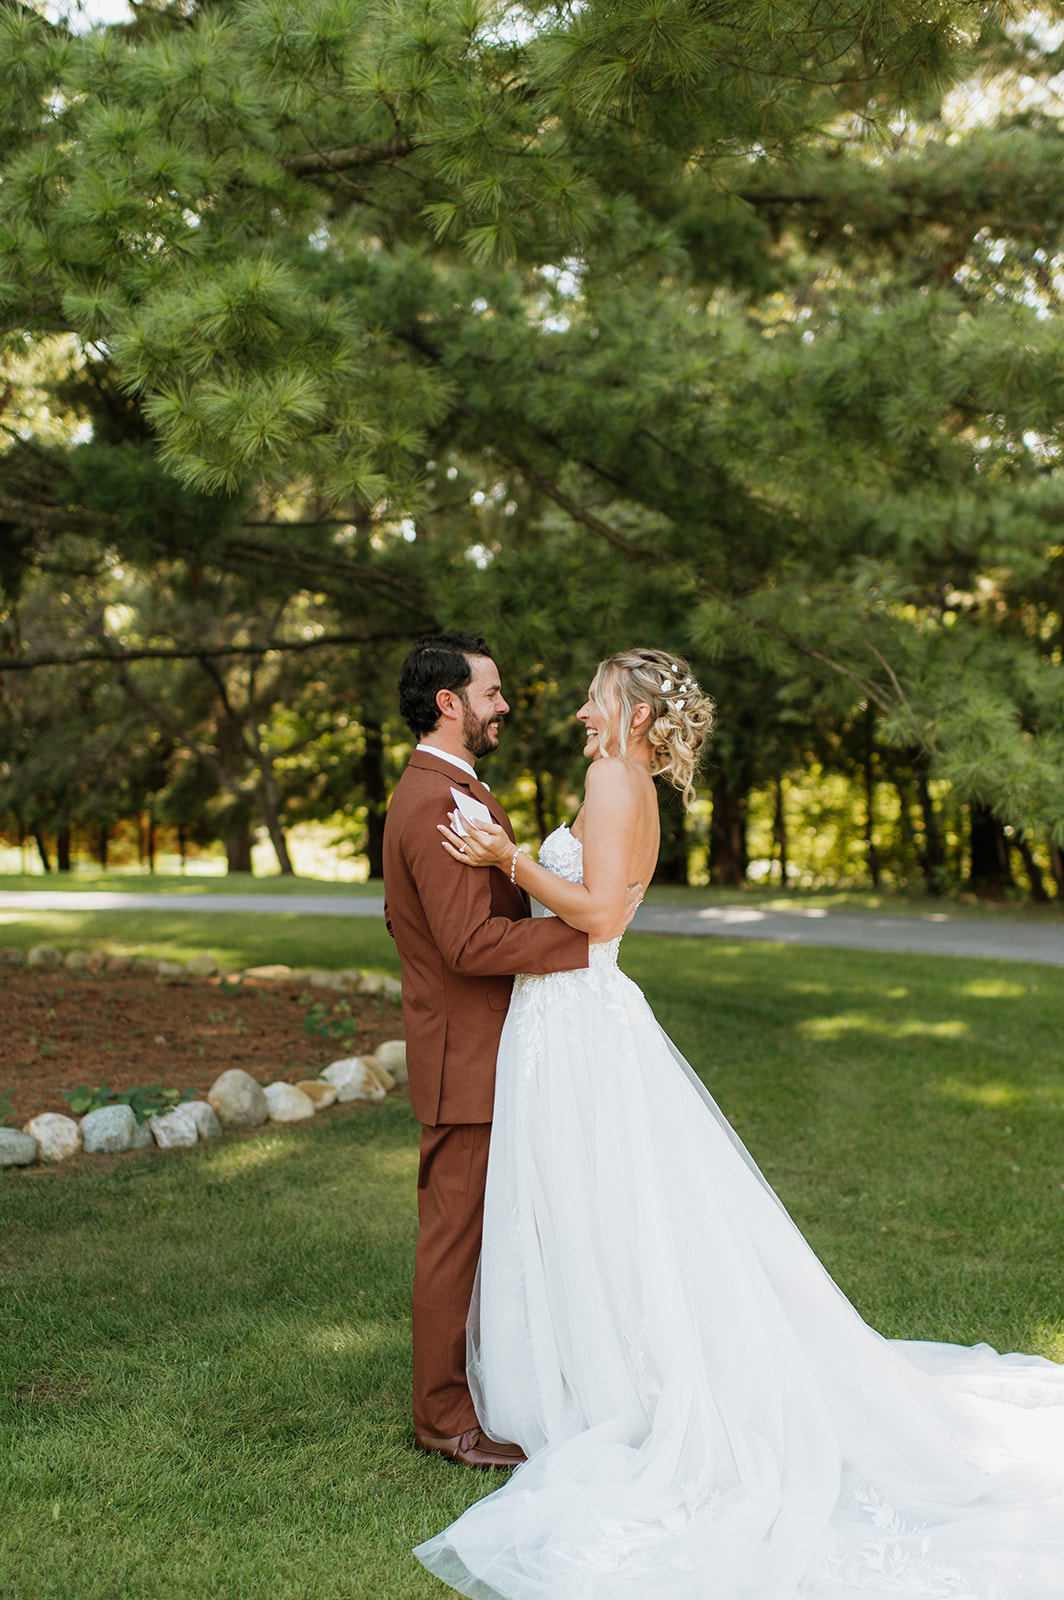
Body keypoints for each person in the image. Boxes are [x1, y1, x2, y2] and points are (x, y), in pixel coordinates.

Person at [414, 646, 1064, 1599]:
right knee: (605, 1201)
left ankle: (608, 1383)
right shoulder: (631, 783)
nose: (581, 713)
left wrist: (505, 858)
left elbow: (598, 915)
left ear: (635, 715)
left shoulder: (611, 780)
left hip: (576, 1018)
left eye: (596, 699)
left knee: (595, 1201)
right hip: (579, 1013)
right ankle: (601, 1366)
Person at [383, 634, 635, 1471]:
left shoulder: (456, 788)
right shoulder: (434, 800)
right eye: (491, 692)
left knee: (493, 1234)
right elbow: (465, 943)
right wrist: (582, 942)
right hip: (466, 1055)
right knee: (454, 1240)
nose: (505, 705)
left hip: (489, 1045)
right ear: (449, 702)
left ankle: (498, 1385)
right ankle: (444, 1420)